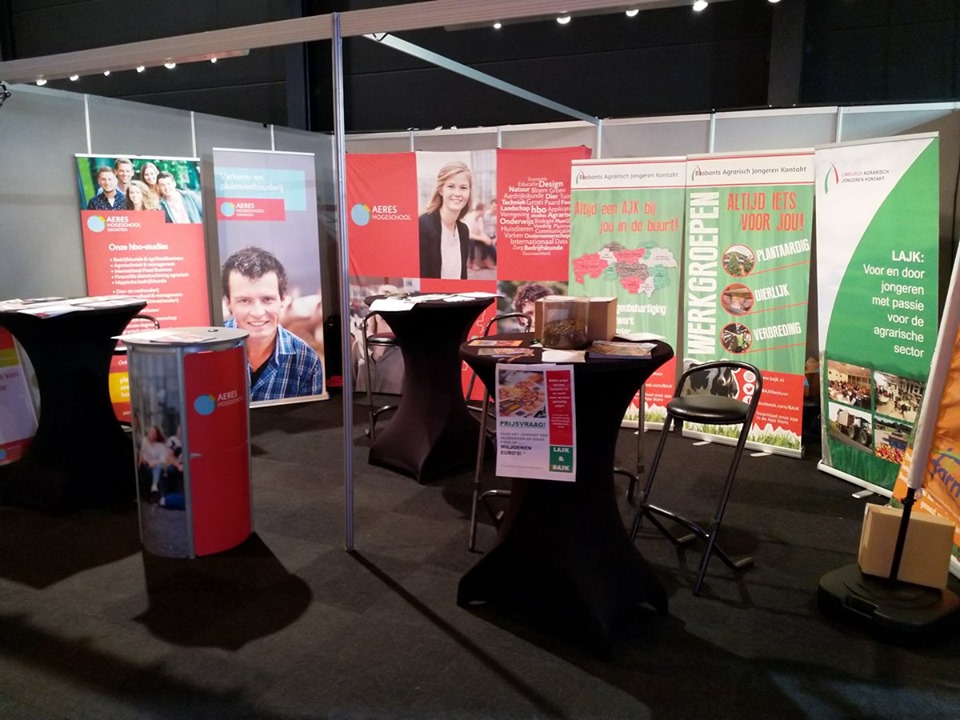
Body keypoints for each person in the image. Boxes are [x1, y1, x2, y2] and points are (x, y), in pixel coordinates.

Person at [222, 246, 323, 401]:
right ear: (229, 303)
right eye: (244, 300)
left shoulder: (307, 361)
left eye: (267, 299)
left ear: (283, 299)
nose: (257, 312)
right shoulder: (209, 352)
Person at [418, 160, 473, 279]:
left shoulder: (463, 230)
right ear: (441, 190)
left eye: (463, 188)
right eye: (451, 186)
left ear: (469, 192)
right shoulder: (422, 225)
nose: (457, 193)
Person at [138, 425, 168, 503]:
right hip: (146, 464)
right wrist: (144, 461)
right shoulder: (144, 441)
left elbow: (163, 459)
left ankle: (155, 488)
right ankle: (154, 491)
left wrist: (154, 463)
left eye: (154, 433)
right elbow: (142, 454)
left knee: (158, 467)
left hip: (157, 465)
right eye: (150, 432)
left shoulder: (160, 445)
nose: (151, 434)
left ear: (157, 435)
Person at [464, 202, 496, 271]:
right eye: (484, 210)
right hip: (466, 237)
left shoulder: (480, 218)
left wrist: (486, 238)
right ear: (480, 210)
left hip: (474, 236)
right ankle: (472, 262)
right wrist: (482, 238)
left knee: (484, 241)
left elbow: (481, 232)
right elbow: (469, 234)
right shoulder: (470, 217)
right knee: (472, 242)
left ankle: (484, 260)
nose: (485, 212)